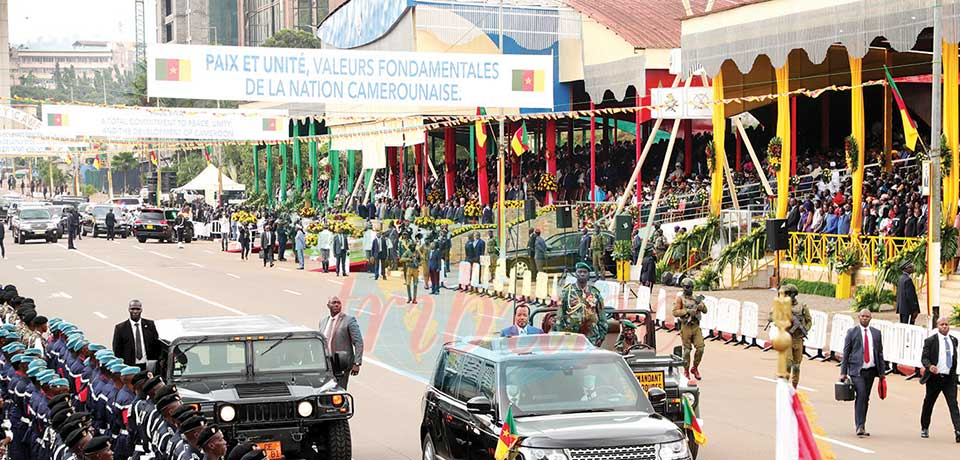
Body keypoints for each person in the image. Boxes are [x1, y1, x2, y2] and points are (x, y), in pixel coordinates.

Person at [840, 309, 885, 437]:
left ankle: (862, 424)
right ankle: (859, 426)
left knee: (866, 397)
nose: (865, 318)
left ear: (871, 318)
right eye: (863, 316)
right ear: (858, 317)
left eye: (867, 316)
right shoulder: (852, 332)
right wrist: (843, 372)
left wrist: (882, 373)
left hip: (870, 370)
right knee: (862, 394)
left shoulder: (876, 333)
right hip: (856, 370)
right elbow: (846, 353)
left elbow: (880, 353)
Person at [919, 317, 960, 441]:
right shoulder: (931, 341)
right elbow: (924, 358)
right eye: (942, 324)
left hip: (949, 378)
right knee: (929, 403)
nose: (944, 326)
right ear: (937, 326)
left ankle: (958, 431)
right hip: (934, 378)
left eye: (946, 324)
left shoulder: (953, 340)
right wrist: (929, 366)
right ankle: (925, 427)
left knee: (953, 404)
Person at [556, 262, 608, 347]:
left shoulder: (595, 293)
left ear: (588, 275)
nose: (582, 274)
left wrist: (601, 336)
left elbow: (602, 317)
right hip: (572, 337)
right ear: (575, 274)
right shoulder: (567, 292)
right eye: (580, 272)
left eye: (585, 272)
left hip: (591, 337)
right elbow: (560, 317)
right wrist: (562, 336)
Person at [319, 297, 363, 389]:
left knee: (340, 390)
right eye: (334, 303)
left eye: (338, 303)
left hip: (342, 363)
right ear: (328, 305)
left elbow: (358, 342)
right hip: (326, 363)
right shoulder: (323, 322)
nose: (336, 305)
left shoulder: (349, 320)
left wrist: (357, 363)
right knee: (326, 389)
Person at [111, 300, 161, 371]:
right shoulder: (120, 328)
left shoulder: (150, 325)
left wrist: (156, 360)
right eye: (132, 309)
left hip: (147, 366)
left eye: (137, 309)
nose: (135, 311)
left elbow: (156, 345)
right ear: (129, 310)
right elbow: (117, 350)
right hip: (130, 367)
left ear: (141, 310)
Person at [673, 278, 707, 380]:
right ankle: (686, 370)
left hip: (696, 326)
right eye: (687, 287)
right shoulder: (680, 299)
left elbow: (705, 310)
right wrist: (687, 311)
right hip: (686, 326)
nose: (689, 289)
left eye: (691, 287)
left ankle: (695, 368)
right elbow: (675, 312)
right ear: (683, 287)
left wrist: (700, 306)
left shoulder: (696, 298)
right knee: (687, 351)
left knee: (700, 348)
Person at [781, 284, 811, 388]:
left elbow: (809, 321)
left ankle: (794, 387)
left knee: (797, 366)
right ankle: (784, 385)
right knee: (788, 364)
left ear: (793, 295)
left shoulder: (802, 307)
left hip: (798, 339)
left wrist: (805, 329)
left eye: (788, 294)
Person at [399, 233, 420, 303]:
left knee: (415, 284)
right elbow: (401, 259)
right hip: (409, 268)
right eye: (412, 246)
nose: (413, 247)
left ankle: (414, 298)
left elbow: (422, 259)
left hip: (416, 269)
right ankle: (409, 297)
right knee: (408, 284)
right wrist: (408, 259)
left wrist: (418, 263)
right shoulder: (407, 252)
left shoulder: (417, 252)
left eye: (414, 245)